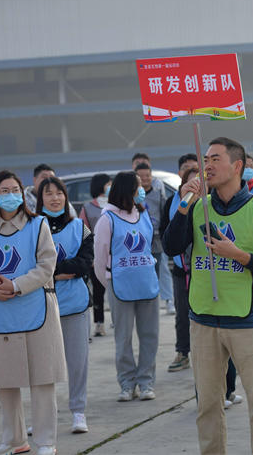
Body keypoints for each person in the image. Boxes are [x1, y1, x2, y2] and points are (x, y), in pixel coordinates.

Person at [164, 136, 253, 455]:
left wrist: (238, 255)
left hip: (247, 319)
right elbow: (171, 246)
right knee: (207, 404)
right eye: (205, 159)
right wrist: (184, 204)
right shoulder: (196, 207)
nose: (207, 166)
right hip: (203, 318)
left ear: (237, 166)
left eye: (215, 159)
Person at [0, 170, 65, 455]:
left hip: (37, 310)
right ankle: (14, 439)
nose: (10, 195)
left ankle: (46, 441)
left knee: (42, 380)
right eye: (4, 190)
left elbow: (47, 266)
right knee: (5, 380)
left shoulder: (38, 225)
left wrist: (16, 285)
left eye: (15, 190)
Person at [93, 171, 160, 403]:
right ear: (127, 190)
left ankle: (146, 382)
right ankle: (127, 383)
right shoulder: (107, 219)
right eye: (137, 186)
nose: (142, 190)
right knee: (123, 338)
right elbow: (99, 259)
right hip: (120, 286)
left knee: (150, 336)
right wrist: (110, 282)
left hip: (147, 283)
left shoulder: (143, 214)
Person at [37, 177, 94, 434]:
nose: (55, 198)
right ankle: (42, 415)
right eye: (49, 193)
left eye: (59, 193)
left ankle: (78, 411)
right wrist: (60, 271)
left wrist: (50, 271)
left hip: (75, 305)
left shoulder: (80, 228)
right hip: (41, 306)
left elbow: (84, 264)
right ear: (40, 199)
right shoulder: (32, 228)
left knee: (77, 362)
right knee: (42, 364)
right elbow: (31, 266)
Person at [162, 166, 199, 373]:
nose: (195, 186)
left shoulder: (210, 205)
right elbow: (167, 235)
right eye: (190, 182)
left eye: (199, 182)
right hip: (181, 268)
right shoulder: (174, 203)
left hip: (203, 270)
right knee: (182, 314)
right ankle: (183, 352)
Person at [135, 163, 173, 314]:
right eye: (141, 176)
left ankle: (169, 300)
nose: (145, 179)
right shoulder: (133, 196)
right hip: (138, 240)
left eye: (148, 176)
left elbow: (164, 215)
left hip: (157, 238)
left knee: (162, 269)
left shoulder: (158, 194)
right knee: (141, 270)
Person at [79, 173, 112, 337]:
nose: (111, 186)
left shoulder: (115, 204)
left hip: (114, 255)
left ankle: (117, 318)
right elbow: (84, 234)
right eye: (108, 184)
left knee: (115, 289)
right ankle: (99, 323)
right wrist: (90, 257)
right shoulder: (87, 208)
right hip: (96, 255)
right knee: (98, 291)